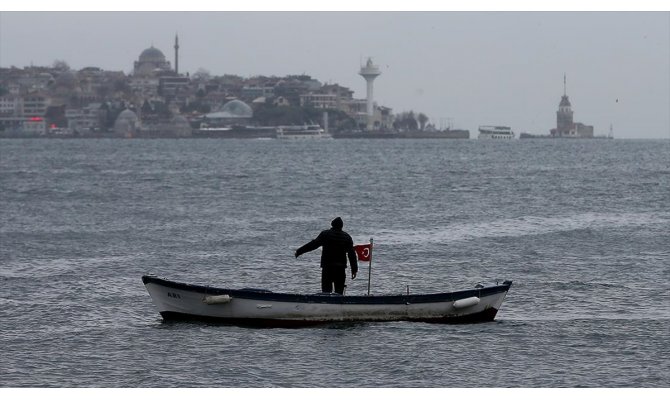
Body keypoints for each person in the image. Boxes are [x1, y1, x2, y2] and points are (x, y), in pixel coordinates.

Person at [295, 217, 358, 295]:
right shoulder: (347, 237)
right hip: (340, 269)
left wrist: (299, 251)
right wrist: (354, 270)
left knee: (326, 292)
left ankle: (325, 305)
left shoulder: (325, 234)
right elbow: (352, 254)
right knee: (339, 293)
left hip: (327, 268)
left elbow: (313, 244)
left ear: (332, 225)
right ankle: (338, 306)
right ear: (341, 226)